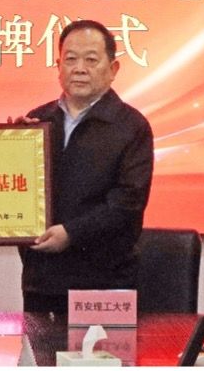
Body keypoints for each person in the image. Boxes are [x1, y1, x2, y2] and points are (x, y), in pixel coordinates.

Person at [15, 19, 154, 313]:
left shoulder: (131, 126)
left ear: (113, 69)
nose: (79, 68)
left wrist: (71, 233)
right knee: (40, 345)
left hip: (105, 284)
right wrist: (11, 146)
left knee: (101, 347)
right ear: (58, 66)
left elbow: (127, 204)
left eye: (91, 60)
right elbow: (18, 190)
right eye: (70, 59)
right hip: (43, 281)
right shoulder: (38, 121)